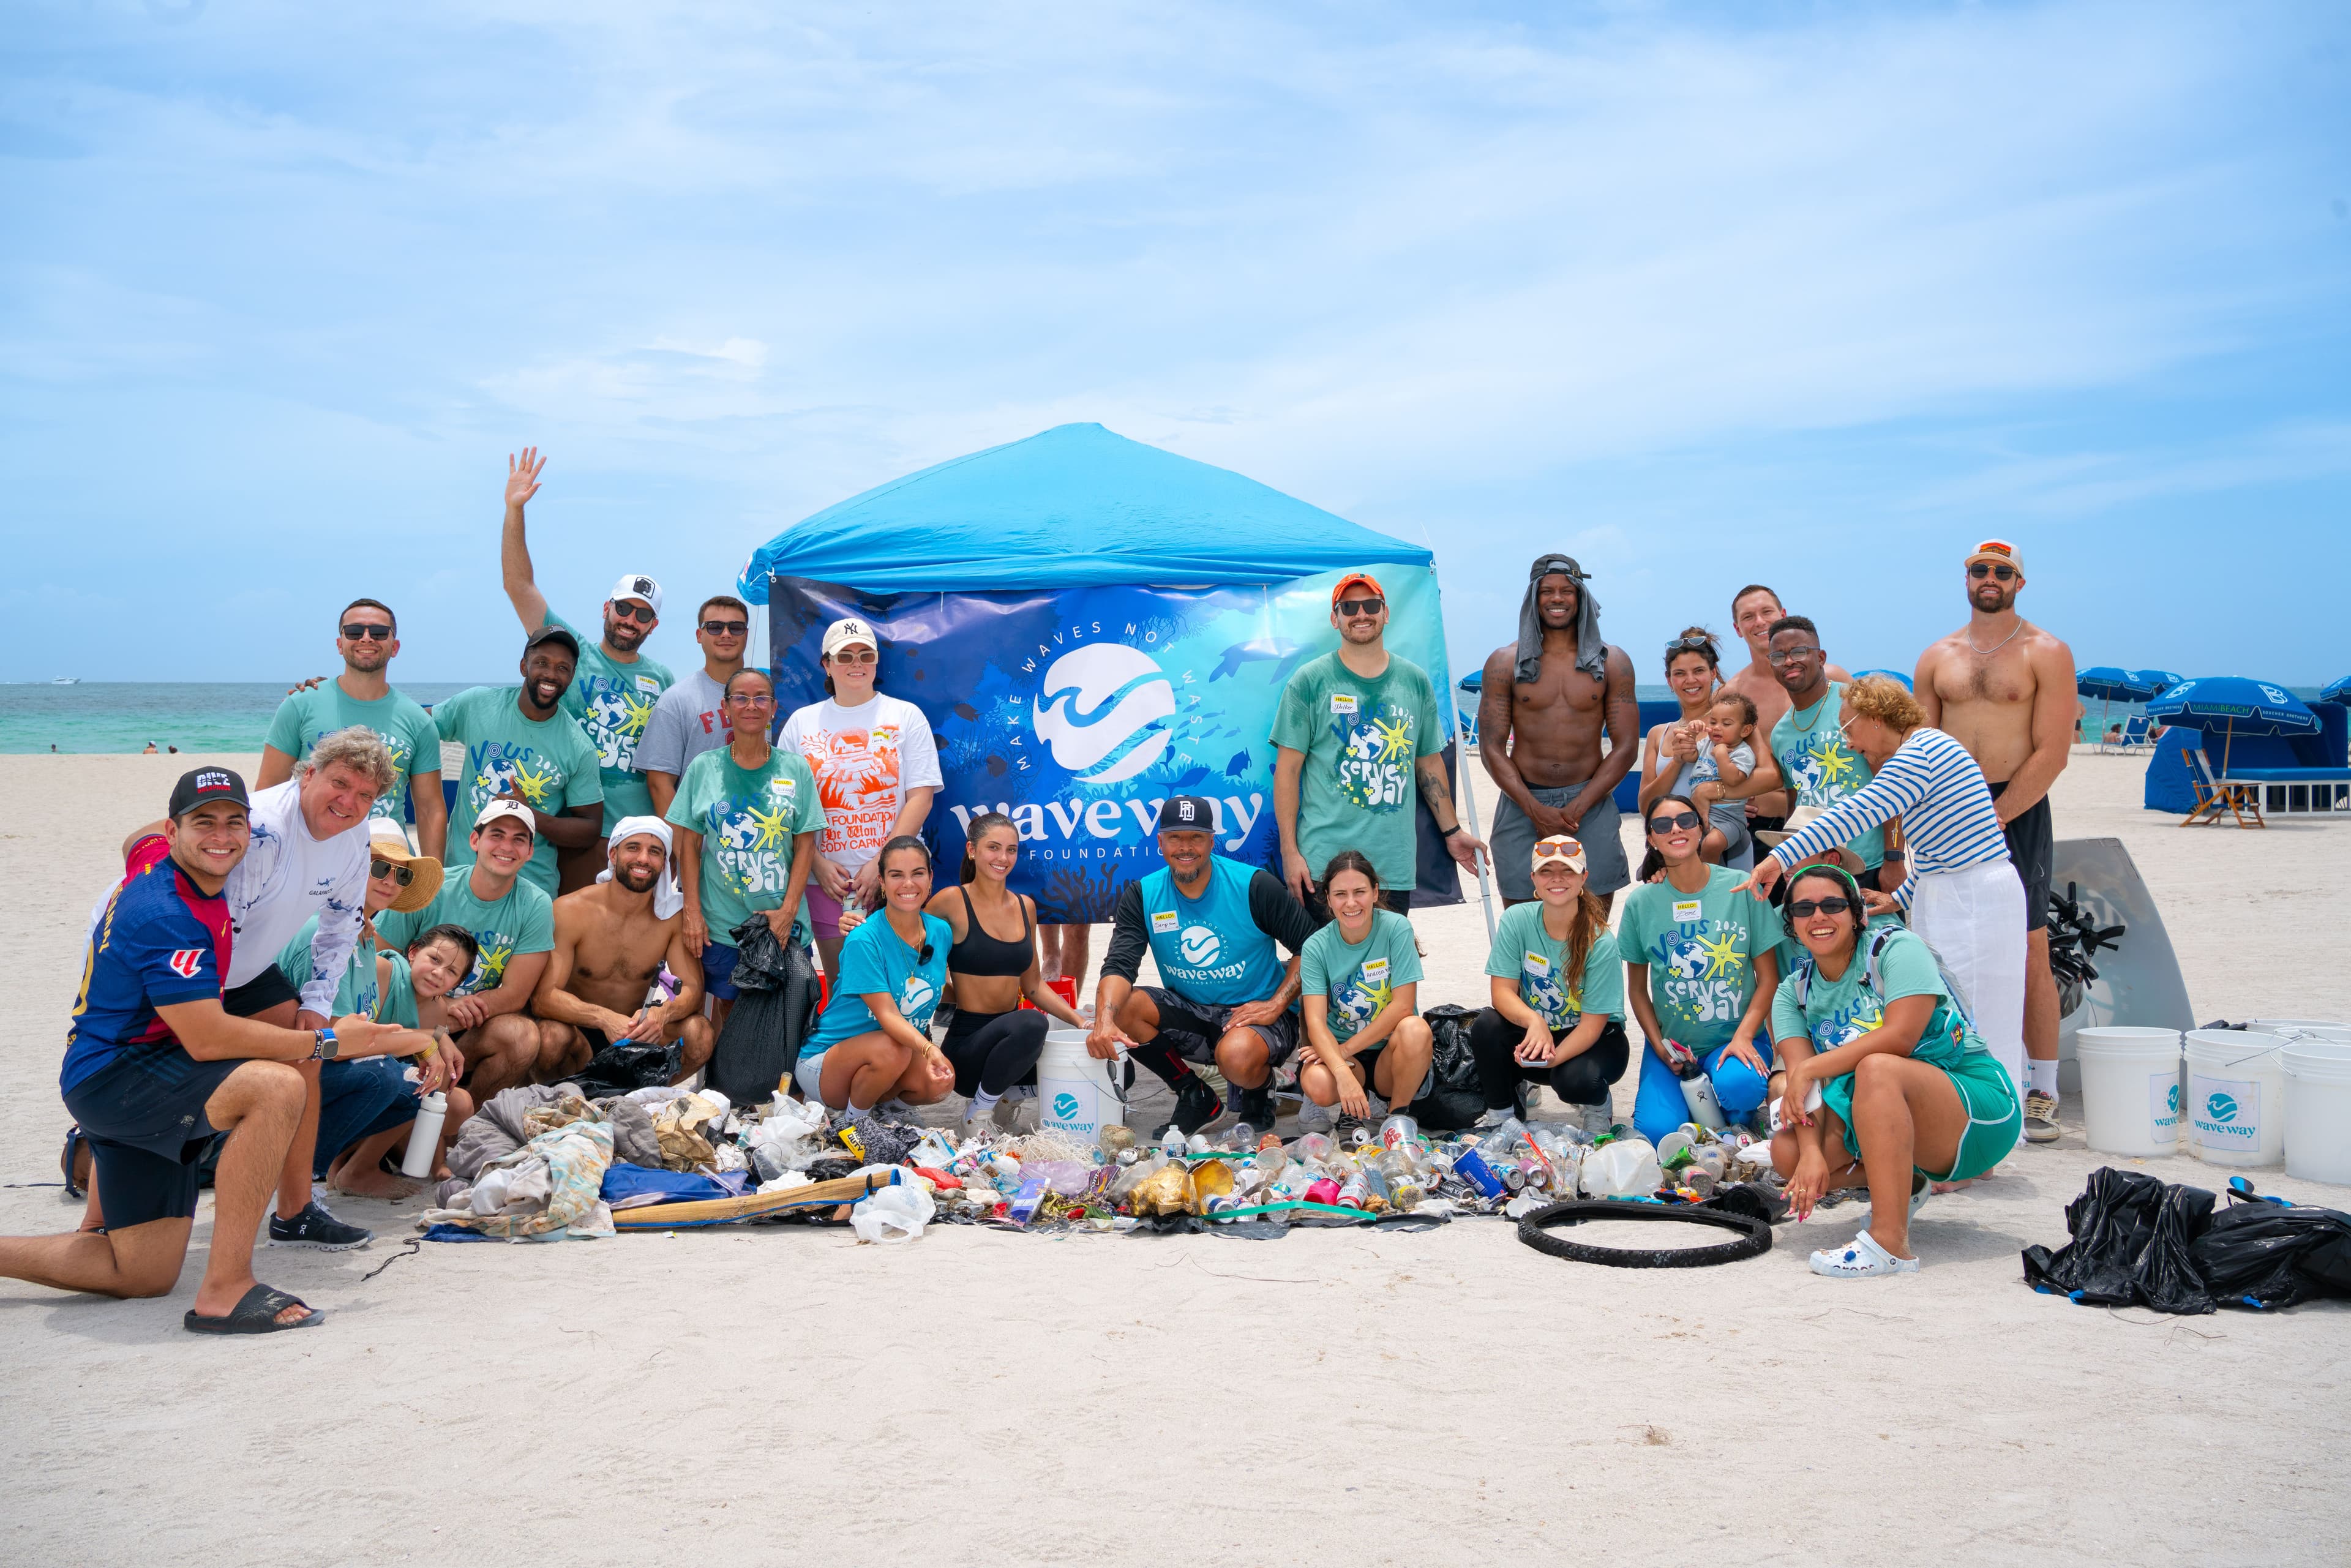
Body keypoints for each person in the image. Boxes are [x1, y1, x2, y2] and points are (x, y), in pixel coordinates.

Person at [2, 768, 403, 1333]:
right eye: (203, 823)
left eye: (233, 823)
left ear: (251, 831)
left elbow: (134, 842)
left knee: (140, 1273)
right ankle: (226, 1288)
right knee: (278, 1083)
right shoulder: (169, 914)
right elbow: (208, 1037)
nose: (222, 836)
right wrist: (327, 1041)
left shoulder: (171, 865)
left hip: (143, 1073)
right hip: (120, 1078)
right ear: (174, 830)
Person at [110, 727, 392, 1250]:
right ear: (308, 775)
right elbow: (211, 922)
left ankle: (296, 1211)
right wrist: (211, 1022)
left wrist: (315, 1004)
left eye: (365, 795)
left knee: (309, 1055)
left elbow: (343, 923)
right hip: (184, 959)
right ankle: (101, 1184)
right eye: (339, 783)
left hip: (246, 963)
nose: (349, 801)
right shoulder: (264, 831)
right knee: (179, 1065)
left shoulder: (356, 837)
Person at [1739, 676, 2027, 1127]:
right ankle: (1964, 1129)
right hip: (1952, 887)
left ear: (1876, 717)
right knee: (1951, 1013)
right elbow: (1942, 850)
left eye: (1848, 728)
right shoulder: (1926, 751)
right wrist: (1900, 897)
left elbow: (1857, 812)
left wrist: (1779, 858)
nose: (1849, 743)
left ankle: (1985, 1134)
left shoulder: (1920, 753)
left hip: (1972, 897)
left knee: (1975, 1018)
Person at [1767, 863, 2021, 1277]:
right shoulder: (1792, 991)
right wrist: (1812, 1155)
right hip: (1894, 1114)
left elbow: (1900, 1037)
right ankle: (1912, 1183)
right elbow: (1802, 1089)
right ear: (1791, 922)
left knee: (1877, 1067)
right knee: (1787, 1153)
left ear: (1857, 913)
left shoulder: (1896, 949)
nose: (1818, 916)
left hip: (1978, 1111)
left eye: (1832, 904)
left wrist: (1812, 1064)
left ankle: (1890, 1244)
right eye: (1804, 908)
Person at [1913, 538, 2077, 1146]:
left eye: (2002, 571)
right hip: (1945, 803)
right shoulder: (1938, 655)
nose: (1990, 578)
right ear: (1966, 578)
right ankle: (1958, 1076)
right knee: (1938, 945)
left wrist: (2000, 813)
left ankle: (2043, 1088)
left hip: (2018, 802)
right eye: (1980, 569)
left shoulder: (2046, 651)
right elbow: (1918, 746)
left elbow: (2052, 751)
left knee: (2031, 944)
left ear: (2019, 583)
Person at [498, 447, 675, 890]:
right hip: (577, 830)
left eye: (642, 615)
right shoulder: (569, 652)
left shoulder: (665, 679)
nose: (630, 620)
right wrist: (514, 510)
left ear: (653, 626)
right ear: (607, 607)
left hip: (640, 839)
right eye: (623, 608)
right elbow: (519, 585)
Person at [1088, 795, 1317, 1135]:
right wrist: (1104, 1020)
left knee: (1237, 1056)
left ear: (1212, 841)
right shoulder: (1144, 894)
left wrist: (1276, 1004)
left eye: (1196, 837)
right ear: (1160, 842)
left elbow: (1311, 948)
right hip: (1194, 1013)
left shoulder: (1254, 885)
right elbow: (1120, 965)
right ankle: (1194, 1095)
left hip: (1257, 1015)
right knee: (1124, 1008)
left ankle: (1260, 1092)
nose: (1185, 847)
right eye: (1175, 837)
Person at [274, 819, 470, 1199]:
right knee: (388, 1075)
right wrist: (423, 1041)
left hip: (310, 1064)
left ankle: (331, 1168)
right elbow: (334, 1039)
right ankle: (308, 1170)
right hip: (288, 1069)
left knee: (418, 1079)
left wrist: (433, 1037)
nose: (391, 880)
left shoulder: (362, 936)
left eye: (402, 875)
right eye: (379, 867)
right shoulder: (323, 930)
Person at [1272, 572, 1483, 920]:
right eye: (1349, 606)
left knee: (1383, 971)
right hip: (1323, 866)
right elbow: (1287, 772)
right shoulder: (1309, 681)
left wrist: (1453, 831)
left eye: (1371, 605)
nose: (1360, 614)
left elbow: (1428, 764)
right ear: (1334, 617)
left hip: (1391, 866)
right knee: (1326, 972)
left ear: (1386, 613)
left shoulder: (1414, 680)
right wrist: (1290, 853)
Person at [779, 617, 941, 980]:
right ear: (827, 664)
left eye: (866, 655)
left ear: (877, 661)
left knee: (903, 983)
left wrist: (882, 863)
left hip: (896, 879)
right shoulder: (801, 724)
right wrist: (816, 863)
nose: (856, 664)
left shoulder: (905, 716)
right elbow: (784, 809)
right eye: (845, 656)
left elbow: (921, 797)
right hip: (826, 883)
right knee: (844, 987)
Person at [1476, 554, 1640, 910]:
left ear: (1581, 597)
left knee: (1592, 922)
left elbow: (1626, 746)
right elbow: (1491, 747)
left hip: (1590, 801)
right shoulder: (1505, 662)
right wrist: (1534, 809)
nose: (1557, 598)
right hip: (1523, 801)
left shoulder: (1612, 662)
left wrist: (1579, 807)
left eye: (1567, 590)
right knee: (1523, 918)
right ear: (1533, 599)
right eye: (1547, 591)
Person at [667, 669, 823, 1029]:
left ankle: (780, 1088)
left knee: (783, 1020)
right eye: (740, 697)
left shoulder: (795, 769)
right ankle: (719, 1087)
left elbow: (805, 845)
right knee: (727, 1014)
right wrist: (692, 911)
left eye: (760, 698)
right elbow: (688, 843)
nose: (750, 705)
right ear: (726, 707)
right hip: (722, 924)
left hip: (782, 924)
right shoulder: (704, 768)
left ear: (773, 708)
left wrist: (788, 911)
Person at [1620, 796, 1781, 1144]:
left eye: (1685, 820)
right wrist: (1659, 1046)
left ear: (1701, 827)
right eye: (1662, 825)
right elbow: (1636, 989)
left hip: (1736, 1039)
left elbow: (1769, 979)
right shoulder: (1640, 903)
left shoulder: (1741, 887)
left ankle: (1731, 1107)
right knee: (1657, 1133)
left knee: (1739, 1090)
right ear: (1651, 839)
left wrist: (1743, 1036)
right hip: (1675, 1046)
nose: (1675, 829)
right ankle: (1702, 1103)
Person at [375, 801, 556, 1098]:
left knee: (522, 1037)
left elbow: (515, 994)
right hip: (405, 1014)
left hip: (468, 1024)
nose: (506, 847)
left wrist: (452, 1011)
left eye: (519, 839)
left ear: (530, 852)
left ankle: (468, 1124)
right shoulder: (432, 888)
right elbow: (379, 960)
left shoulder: (536, 904)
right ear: (475, 841)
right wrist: (440, 1004)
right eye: (496, 835)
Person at [924, 812, 1089, 1128]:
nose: (1003, 858)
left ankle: (1008, 1097)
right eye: (994, 848)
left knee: (1103, 1061)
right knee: (1030, 1023)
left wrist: (1081, 1021)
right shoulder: (950, 900)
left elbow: (1034, 986)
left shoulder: (1024, 905)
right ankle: (977, 1114)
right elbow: (910, 956)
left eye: (1011, 850)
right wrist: (952, 991)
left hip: (1014, 1043)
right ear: (972, 850)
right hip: (967, 1047)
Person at [258, 598, 447, 857]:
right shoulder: (300, 705)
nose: (367, 638)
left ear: (395, 647)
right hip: (310, 858)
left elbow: (430, 809)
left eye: (379, 633)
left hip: (387, 866)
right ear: (340, 644)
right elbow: (268, 792)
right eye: (355, 631)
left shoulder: (418, 721)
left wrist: (433, 879)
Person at [531, 819, 713, 1086]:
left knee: (700, 1034)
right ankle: (563, 1102)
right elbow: (544, 998)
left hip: (636, 1034)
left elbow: (693, 990)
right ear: (613, 854)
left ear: (664, 864)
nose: (643, 858)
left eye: (655, 851)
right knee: (549, 1038)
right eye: (633, 848)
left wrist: (659, 1014)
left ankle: (642, 1098)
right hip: (578, 1033)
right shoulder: (570, 910)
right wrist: (603, 1018)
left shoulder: (671, 918)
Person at [1468, 835, 1628, 1134]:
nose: (1557, 879)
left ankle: (1597, 1104)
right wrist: (1534, 1021)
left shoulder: (1601, 941)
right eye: (1546, 871)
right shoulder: (1517, 919)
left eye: (1568, 871)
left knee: (1574, 1082)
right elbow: (1501, 992)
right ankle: (1501, 1113)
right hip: (1538, 1034)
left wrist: (1549, 1060)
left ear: (1584, 879)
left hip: (1594, 1039)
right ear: (1534, 879)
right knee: (1487, 1026)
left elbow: (1592, 1026)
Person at [430, 625, 605, 897]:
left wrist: (526, 813)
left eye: (563, 668)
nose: (551, 674)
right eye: (542, 663)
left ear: (571, 677)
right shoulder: (477, 705)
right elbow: (419, 728)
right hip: (461, 879)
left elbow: (590, 829)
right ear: (524, 666)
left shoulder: (579, 746)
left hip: (530, 891)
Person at [797, 837, 956, 1112]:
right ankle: (855, 1124)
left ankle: (884, 1110)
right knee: (893, 1049)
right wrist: (930, 1049)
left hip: (893, 1055)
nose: (908, 884)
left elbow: (944, 988)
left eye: (918, 873)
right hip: (826, 1062)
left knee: (941, 1080)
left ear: (931, 878)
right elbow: (888, 1016)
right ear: (881, 882)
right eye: (896, 875)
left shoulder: (940, 931)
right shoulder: (863, 938)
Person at [1736, 616, 1888, 888]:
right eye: (1779, 656)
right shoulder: (1781, 734)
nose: (1789, 661)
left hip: (1870, 863)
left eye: (1799, 652)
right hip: (1813, 868)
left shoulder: (1853, 704)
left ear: (1820, 657)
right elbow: (1795, 803)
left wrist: (1895, 858)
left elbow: (1892, 786)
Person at [1295, 850, 1433, 1131]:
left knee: (1416, 1029)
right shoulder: (1316, 946)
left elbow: (1403, 1006)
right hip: (1345, 1052)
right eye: (1340, 894)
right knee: (1318, 1084)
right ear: (1328, 899)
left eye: (1359, 892)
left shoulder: (1396, 928)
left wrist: (1343, 1052)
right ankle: (1354, 1100)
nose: (1351, 903)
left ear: (1375, 892)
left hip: (1389, 1052)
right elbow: (1316, 1022)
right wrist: (1341, 1068)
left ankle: (1396, 1116)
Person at [1720, 585, 1853, 832]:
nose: (1759, 622)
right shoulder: (1732, 693)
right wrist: (1731, 801)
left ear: (1783, 615)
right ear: (1738, 629)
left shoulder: (1833, 679)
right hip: (1762, 823)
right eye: (1748, 617)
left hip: (1836, 815)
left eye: (1766, 612)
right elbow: (1717, 754)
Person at [642, 595, 752, 816]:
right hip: (701, 842)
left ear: (747, 634)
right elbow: (659, 784)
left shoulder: (766, 697)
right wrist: (683, 849)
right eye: (714, 627)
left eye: (736, 627)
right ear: (699, 635)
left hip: (766, 839)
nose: (726, 634)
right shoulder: (677, 700)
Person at [1686, 692, 1762, 865]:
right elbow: (1689, 756)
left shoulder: (1743, 753)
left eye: (1726, 723)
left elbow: (1733, 780)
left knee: (1711, 844)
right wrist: (1691, 735)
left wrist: (1721, 755)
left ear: (1745, 730)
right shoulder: (1706, 743)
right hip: (1698, 811)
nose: (1717, 727)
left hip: (1728, 818)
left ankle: (1709, 878)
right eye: (1713, 722)